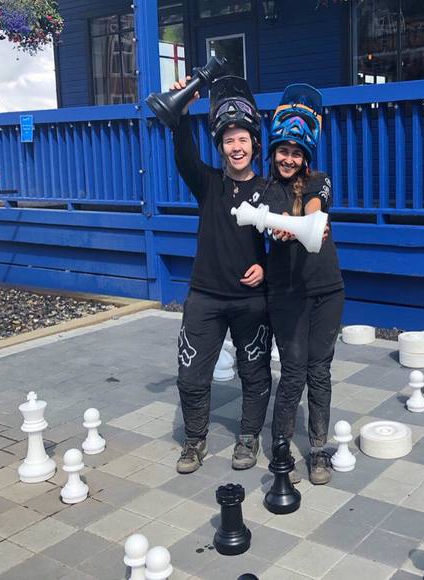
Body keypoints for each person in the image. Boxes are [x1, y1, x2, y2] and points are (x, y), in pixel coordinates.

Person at [170, 75, 272, 474]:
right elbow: (184, 156)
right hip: (205, 296)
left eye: (243, 139)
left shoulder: (269, 190)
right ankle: (194, 440)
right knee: (190, 375)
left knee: (254, 372)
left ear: (254, 144)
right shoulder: (208, 183)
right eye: (229, 140)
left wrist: (266, 267)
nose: (236, 146)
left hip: (250, 300)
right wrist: (182, 112)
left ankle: (248, 436)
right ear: (221, 146)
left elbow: (286, 244)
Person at [263, 84, 344, 485]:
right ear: (273, 151)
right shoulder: (265, 190)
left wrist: (310, 223)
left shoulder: (319, 180)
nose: (289, 159)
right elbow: (273, 222)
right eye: (283, 151)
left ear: (305, 157)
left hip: (327, 290)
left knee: (320, 370)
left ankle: (317, 450)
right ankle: (281, 450)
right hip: (286, 293)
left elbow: (315, 205)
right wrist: (288, 229)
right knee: (293, 371)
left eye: (296, 153)